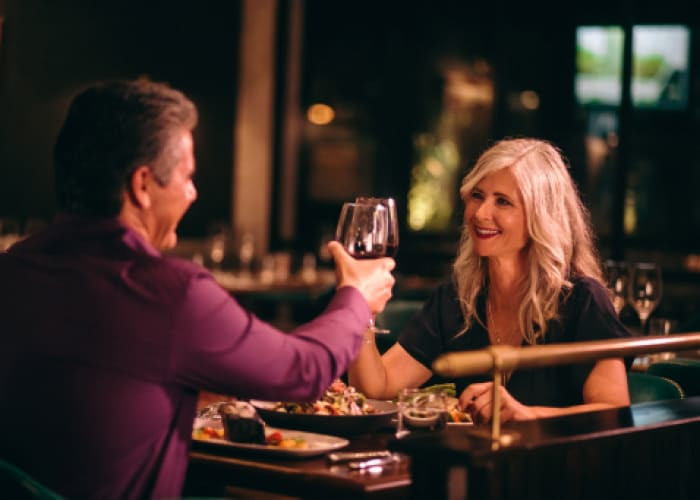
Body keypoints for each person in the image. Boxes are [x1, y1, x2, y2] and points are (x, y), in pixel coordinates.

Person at [0, 78, 395, 499]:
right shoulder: (169, 293)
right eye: (187, 177)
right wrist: (355, 298)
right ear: (143, 185)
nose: (193, 193)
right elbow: (304, 373)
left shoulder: (13, 270)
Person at [349, 137, 631, 424]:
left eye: (503, 202)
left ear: (541, 216)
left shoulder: (582, 301)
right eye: (477, 196)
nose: (481, 213)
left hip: (554, 465)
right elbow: (376, 388)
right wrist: (359, 306)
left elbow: (613, 411)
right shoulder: (457, 299)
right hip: (471, 465)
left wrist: (525, 414)